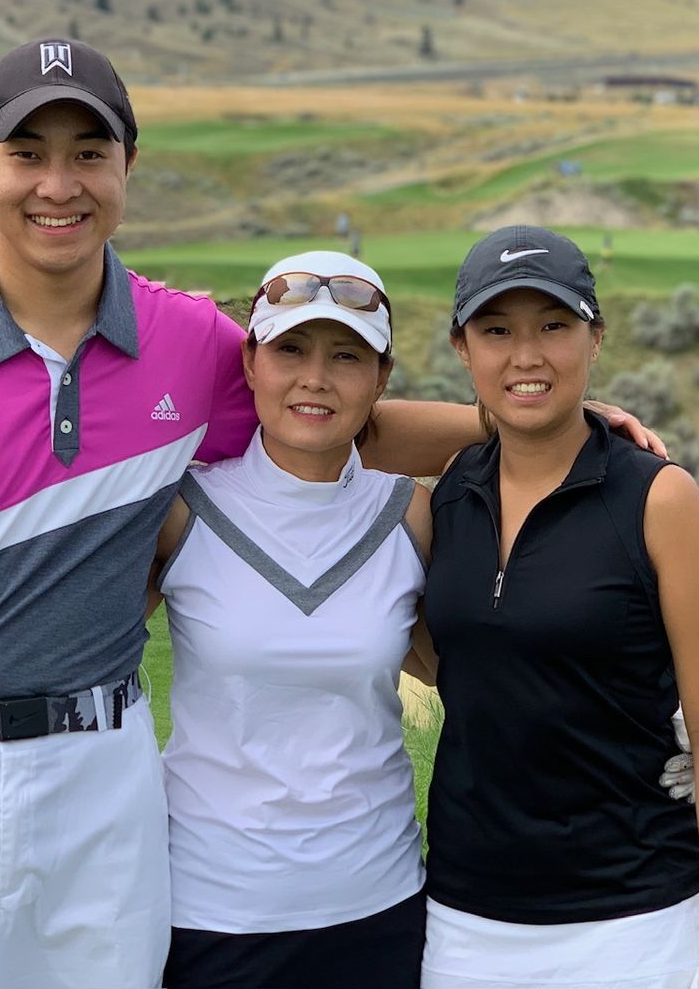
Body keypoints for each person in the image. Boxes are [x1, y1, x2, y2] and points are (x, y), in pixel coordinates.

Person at [0, 41, 666, 989]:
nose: (58, 185)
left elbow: (331, 417)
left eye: (89, 154)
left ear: (127, 166)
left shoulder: (190, 342)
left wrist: (530, 422)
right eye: (28, 153)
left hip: (100, 779)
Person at [416, 226, 699, 989]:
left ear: (595, 337)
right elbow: (343, 425)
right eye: (496, 331)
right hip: (467, 923)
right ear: (461, 348)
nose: (527, 355)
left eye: (554, 327)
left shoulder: (658, 499)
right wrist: (499, 414)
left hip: (642, 922)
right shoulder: (453, 492)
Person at [151, 249, 432, 988]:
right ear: (250, 363)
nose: (316, 378)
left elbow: (478, 672)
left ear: (382, 378)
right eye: (291, 350)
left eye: (347, 356)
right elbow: (75, 645)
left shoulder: (411, 514)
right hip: (212, 911)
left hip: (379, 904)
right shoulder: (181, 509)